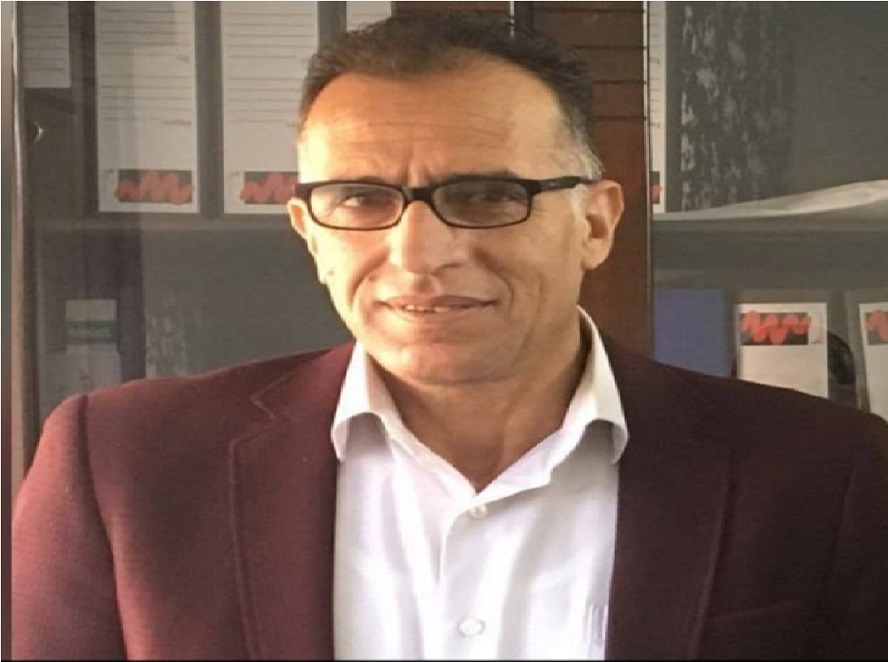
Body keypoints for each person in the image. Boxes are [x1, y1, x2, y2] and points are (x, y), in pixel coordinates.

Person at [11, 11, 888, 660]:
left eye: (487, 195)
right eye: (360, 199)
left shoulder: (828, 475)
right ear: (309, 233)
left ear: (595, 223)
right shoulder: (124, 466)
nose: (419, 254)